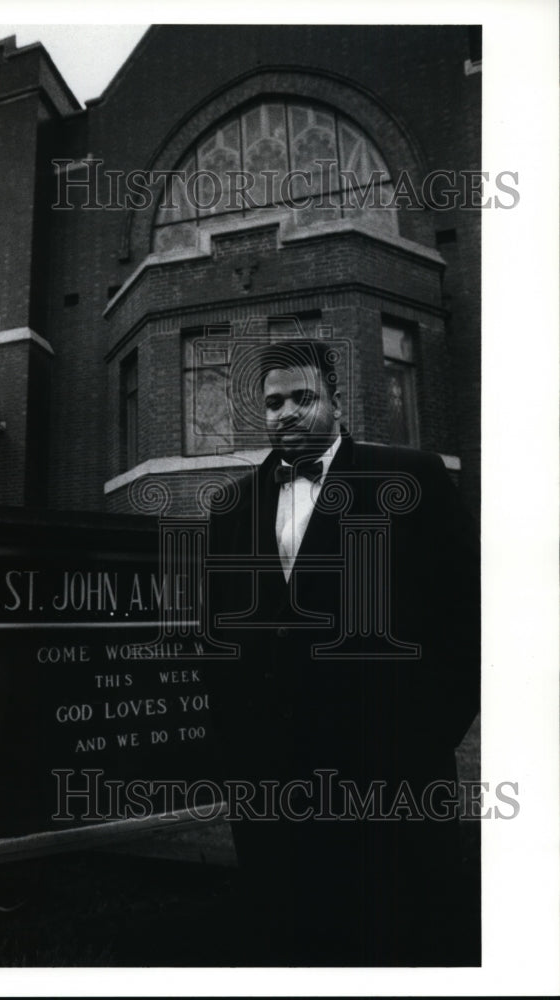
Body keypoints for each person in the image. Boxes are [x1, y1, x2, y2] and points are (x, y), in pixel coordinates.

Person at [204, 339, 480, 966]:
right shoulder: (232, 505)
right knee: (293, 935)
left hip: (389, 772)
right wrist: (238, 750)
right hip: (272, 782)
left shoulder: (411, 477)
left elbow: (467, 619)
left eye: (303, 398)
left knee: (398, 937)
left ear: (336, 402)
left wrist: (426, 738)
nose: (287, 413)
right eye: (273, 403)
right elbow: (222, 636)